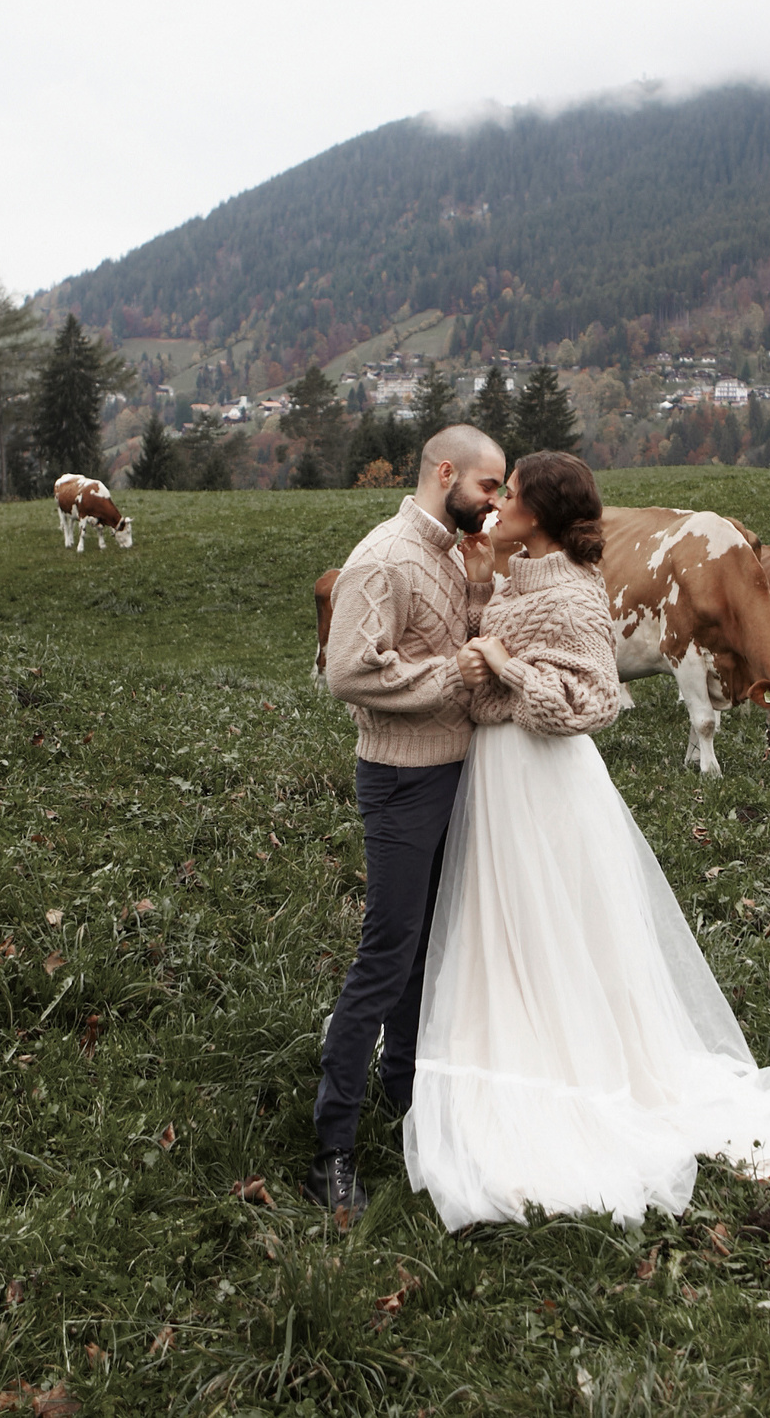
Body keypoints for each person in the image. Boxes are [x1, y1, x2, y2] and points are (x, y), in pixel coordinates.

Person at [405, 451, 770, 1231]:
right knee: (505, 918)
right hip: (498, 771)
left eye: (514, 492)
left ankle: (568, 1061)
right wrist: (480, 619)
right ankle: (512, 1030)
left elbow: (597, 701)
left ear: (545, 508)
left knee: (552, 916)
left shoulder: (574, 588)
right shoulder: (517, 570)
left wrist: (504, 668)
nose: (502, 500)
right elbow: (500, 622)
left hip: (541, 772)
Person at [310, 423, 509, 1226]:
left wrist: (484, 589)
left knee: (426, 947)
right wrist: (450, 674)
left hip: (451, 770)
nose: (495, 503)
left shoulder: (451, 554)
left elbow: (453, 638)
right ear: (446, 472)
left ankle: (404, 1091)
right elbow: (348, 671)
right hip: (400, 779)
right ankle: (330, 1148)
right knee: (386, 954)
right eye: (489, 487)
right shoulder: (386, 556)